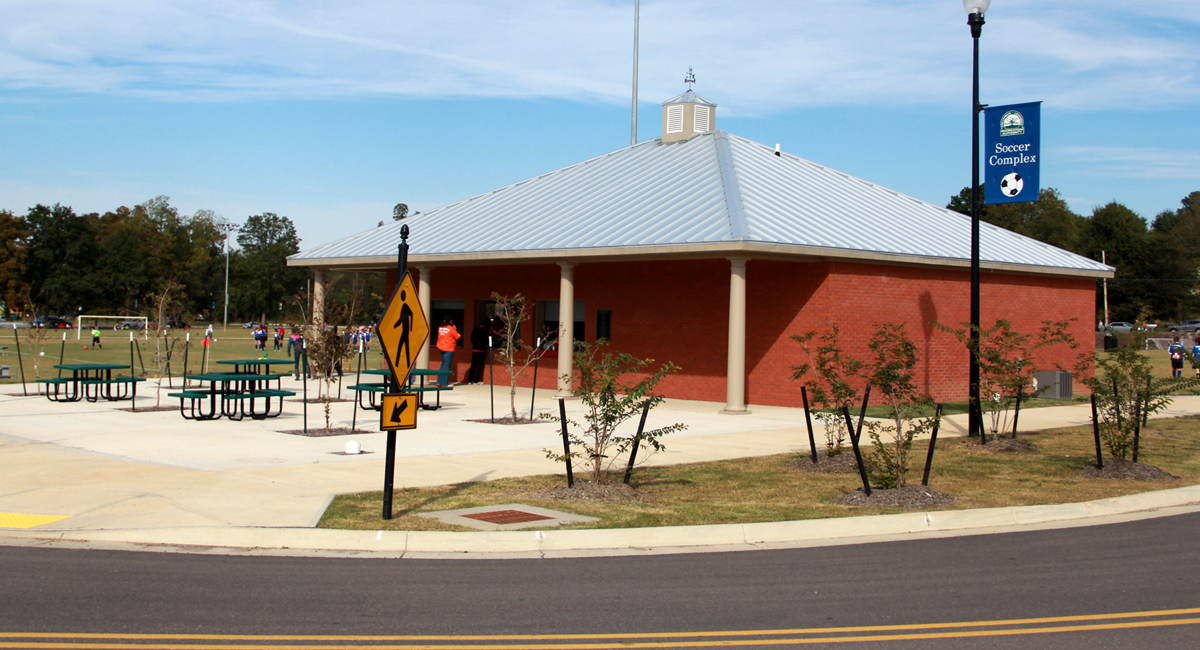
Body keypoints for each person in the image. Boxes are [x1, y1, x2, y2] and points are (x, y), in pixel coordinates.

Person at [435, 315, 460, 387]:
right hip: (449, 348)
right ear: (450, 321)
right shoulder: (451, 328)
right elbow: (457, 336)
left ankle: (439, 381)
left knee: (443, 364)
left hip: (440, 347)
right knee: (447, 365)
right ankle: (444, 383)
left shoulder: (440, 328)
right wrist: (455, 328)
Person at [467, 319, 489, 385]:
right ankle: (476, 380)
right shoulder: (485, 331)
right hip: (481, 350)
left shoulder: (475, 330)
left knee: (473, 365)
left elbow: (471, 340)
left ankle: (469, 380)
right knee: (479, 365)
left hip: (474, 349)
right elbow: (486, 341)